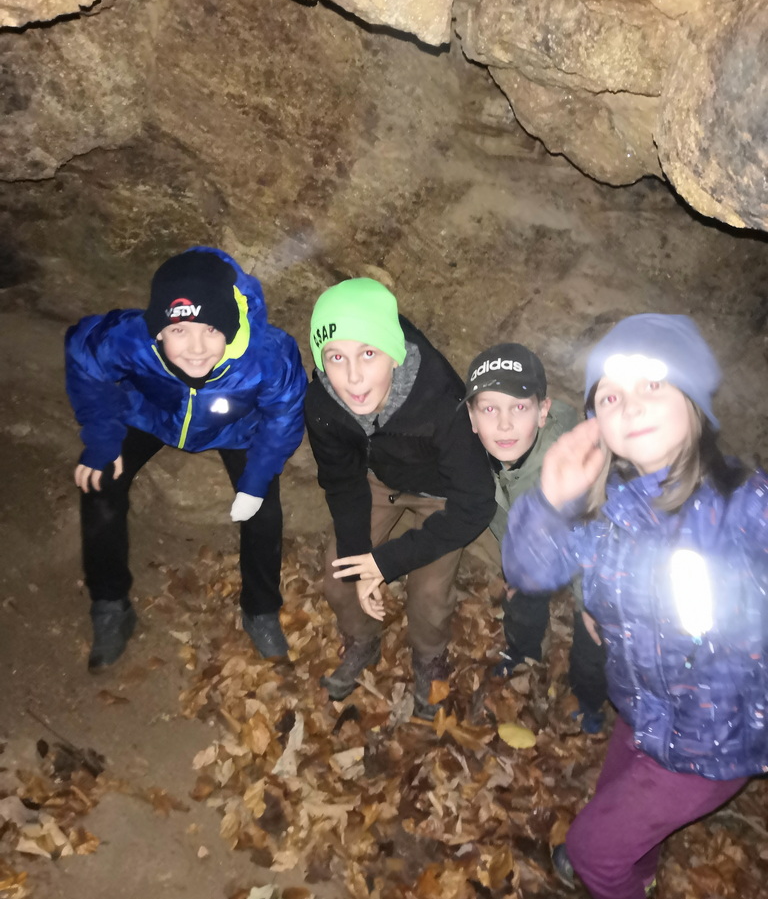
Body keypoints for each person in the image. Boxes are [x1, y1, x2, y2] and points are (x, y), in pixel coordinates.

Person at [501, 313, 768, 899]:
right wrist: (550, 501)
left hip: (712, 742)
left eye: (653, 384)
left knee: (593, 847)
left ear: (694, 399)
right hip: (642, 710)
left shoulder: (744, 505)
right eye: (611, 396)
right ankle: (637, 866)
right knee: (613, 805)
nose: (632, 404)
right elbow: (530, 572)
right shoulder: (609, 505)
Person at [66, 246, 307, 671]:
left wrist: (255, 481)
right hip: (153, 414)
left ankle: (261, 610)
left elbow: (284, 416)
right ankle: (110, 606)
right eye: (179, 330)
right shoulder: (132, 339)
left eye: (211, 329)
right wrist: (103, 438)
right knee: (100, 481)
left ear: (230, 328)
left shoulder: (266, 356)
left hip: (234, 426)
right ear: (158, 331)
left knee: (264, 509)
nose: (196, 349)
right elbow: (84, 352)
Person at [304, 277, 496, 719]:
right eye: (335, 357)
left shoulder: (442, 401)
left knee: (427, 592)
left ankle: (429, 658)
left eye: (369, 354)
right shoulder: (323, 403)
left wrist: (385, 562)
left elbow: (475, 503)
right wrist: (360, 559)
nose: (353, 376)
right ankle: (363, 640)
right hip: (378, 481)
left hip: (442, 493)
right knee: (339, 572)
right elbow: (341, 481)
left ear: (394, 353)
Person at [462, 342, 607, 732]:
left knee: (593, 641)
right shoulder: (473, 457)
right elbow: (498, 513)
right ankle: (523, 654)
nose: (504, 425)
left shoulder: (571, 465)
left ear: (543, 412)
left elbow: (596, 536)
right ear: (472, 417)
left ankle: (590, 699)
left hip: (589, 564)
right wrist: (514, 567)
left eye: (519, 408)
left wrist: (590, 603)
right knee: (521, 603)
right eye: (489, 409)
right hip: (532, 552)